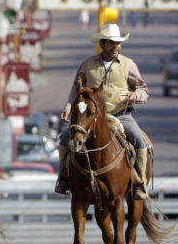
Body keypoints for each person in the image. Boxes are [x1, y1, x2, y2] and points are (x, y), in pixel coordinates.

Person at [55, 23, 149, 200]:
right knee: (65, 137)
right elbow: (76, 89)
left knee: (138, 138)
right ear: (103, 44)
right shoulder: (87, 64)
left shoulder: (128, 65)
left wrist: (134, 95)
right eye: (112, 43)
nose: (116, 47)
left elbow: (143, 89)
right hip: (92, 117)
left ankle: (140, 182)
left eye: (118, 43)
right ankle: (63, 177)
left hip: (121, 115)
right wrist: (68, 107)